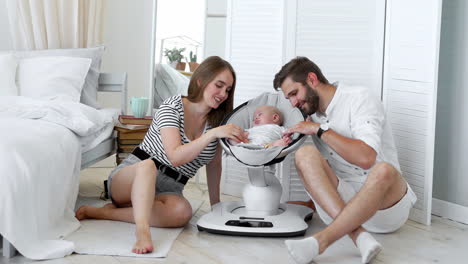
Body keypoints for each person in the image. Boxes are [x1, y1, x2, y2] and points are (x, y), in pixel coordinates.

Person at [75, 56, 248, 254]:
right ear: (201, 80)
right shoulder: (172, 107)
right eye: (219, 85)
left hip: (171, 187)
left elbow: (214, 166)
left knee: (182, 213)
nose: (223, 94)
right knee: (149, 166)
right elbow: (175, 156)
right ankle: (142, 232)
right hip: (133, 176)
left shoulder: (216, 124)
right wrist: (211, 135)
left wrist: (216, 206)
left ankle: (103, 213)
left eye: (228, 90)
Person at [273, 57, 417, 264]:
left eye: (294, 93)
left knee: (384, 169)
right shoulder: (307, 113)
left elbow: (366, 158)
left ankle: (322, 241)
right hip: (339, 206)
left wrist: (319, 130)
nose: (293, 103)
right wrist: (279, 139)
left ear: (312, 79)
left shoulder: (360, 98)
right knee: (303, 155)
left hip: (385, 209)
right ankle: (359, 236)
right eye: (289, 98)